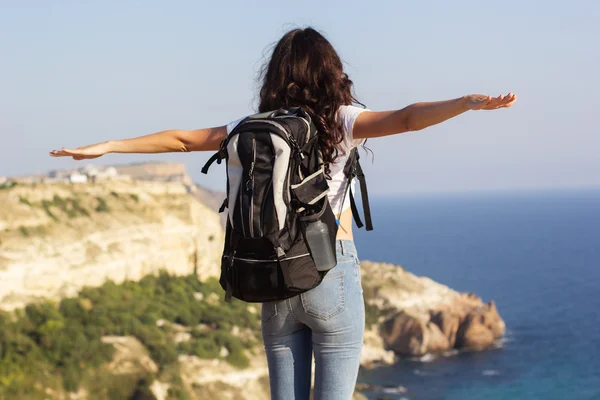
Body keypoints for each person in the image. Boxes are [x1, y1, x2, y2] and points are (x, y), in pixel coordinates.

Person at [50, 27, 517, 400]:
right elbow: (408, 118)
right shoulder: (341, 118)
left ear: (276, 75)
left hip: (274, 278)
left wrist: (109, 145)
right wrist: (465, 103)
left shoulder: (250, 128)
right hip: (330, 273)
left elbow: (182, 140)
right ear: (331, 72)